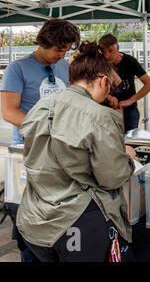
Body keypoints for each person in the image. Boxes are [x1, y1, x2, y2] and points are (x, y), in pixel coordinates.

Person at [15, 41, 137, 262]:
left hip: (33, 220)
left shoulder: (41, 106)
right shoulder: (99, 116)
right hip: (75, 220)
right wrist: (127, 157)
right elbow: (112, 177)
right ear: (103, 81)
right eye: (109, 87)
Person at [0, 18, 80, 262]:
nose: (62, 54)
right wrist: (47, 128)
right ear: (45, 42)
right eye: (59, 49)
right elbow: (9, 111)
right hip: (27, 154)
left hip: (60, 154)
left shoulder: (64, 67)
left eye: (66, 50)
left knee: (55, 213)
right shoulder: (18, 68)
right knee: (29, 218)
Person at [98, 34, 150, 132]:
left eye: (110, 51)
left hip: (129, 109)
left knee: (130, 140)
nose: (107, 56)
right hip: (105, 109)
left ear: (118, 48)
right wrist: (109, 97)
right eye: (103, 52)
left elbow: (149, 84)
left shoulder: (129, 61)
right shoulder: (99, 63)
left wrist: (131, 100)